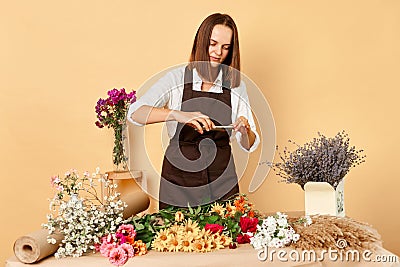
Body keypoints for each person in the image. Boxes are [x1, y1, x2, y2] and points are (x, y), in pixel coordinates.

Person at [127, 13, 260, 209]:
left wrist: (244, 130)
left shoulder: (235, 86)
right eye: (212, 44)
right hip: (179, 178)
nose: (218, 52)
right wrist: (176, 114)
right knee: (176, 237)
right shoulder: (176, 78)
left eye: (225, 47)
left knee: (225, 237)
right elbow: (135, 112)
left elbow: (249, 143)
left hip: (221, 176)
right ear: (201, 41)